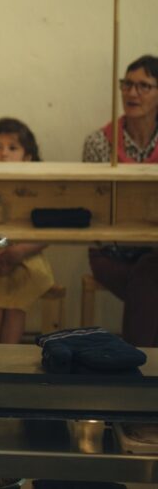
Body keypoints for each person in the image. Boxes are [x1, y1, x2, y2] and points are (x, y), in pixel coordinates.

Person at [82, 54, 158, 347]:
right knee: (149, 276)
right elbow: (92, 206)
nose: (132, 93)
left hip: (153, 248)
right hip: (110, 251)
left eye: (143, 86)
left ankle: (135, 365)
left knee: (149, 271)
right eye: (127, 84)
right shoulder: (100, 142)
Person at [0, 118, 53, 344]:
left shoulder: (35, 189)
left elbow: (47, 235)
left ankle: (8, 352)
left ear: (28, 157)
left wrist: (18, 252)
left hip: (26, 257)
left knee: (18, 283)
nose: (4, 154)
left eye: (13, 148)